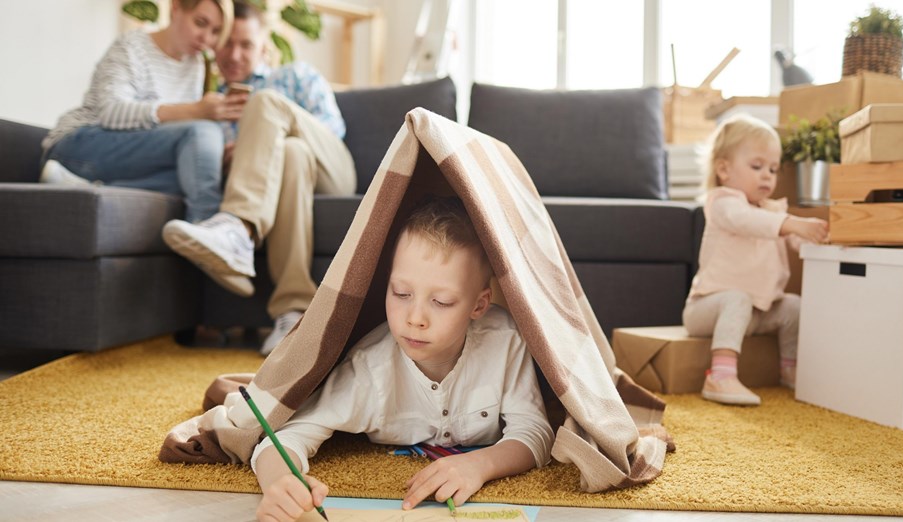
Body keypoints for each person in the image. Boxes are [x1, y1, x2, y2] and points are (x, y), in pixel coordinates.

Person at [250, 197, 554, 522]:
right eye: (401, 294)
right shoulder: (370, 371)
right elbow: (287, 437)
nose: (415, 318)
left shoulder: (505, 339)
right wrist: (281, 484)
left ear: (478, 306)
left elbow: (534, 430)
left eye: (441, 301)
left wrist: (481, 464)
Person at [160, 1, 357, 355]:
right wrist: (238, 155)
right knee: (292, 156)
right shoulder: (212, 104)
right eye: (227, 44)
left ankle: (237, 229)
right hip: (286, 178)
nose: (235, 54)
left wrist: (267, 136)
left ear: (264, 47)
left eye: (246, 45)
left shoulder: (295, 75)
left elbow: (332, 129)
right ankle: (293, 312)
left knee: (267, 107)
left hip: (332, 168)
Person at [41, 0, 242, 223]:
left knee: (197, 171)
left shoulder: (194, 66)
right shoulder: (132, 45)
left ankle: (88, 186)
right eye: (200, 23)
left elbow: (173, 134)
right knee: (201, 131)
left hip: (127, 159)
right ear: (175, 8)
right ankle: (209, 230)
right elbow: (111, 112)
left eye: (215, 31)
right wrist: (194, 111)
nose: (206, 38)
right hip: (79, 145)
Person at [683, 114, 829, 406]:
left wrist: (817, 238)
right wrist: (791, 223)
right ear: (723, 169)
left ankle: (790, 369)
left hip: (756, 311)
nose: (767, 176)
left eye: (773, 169)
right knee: (736, 298)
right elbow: (748, 221)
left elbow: (793, 239)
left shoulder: (771, 211)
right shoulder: (722, 203)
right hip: (707, 309)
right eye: (757, 166)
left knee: (793, 306)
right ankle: (720, 376)